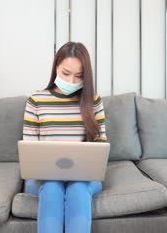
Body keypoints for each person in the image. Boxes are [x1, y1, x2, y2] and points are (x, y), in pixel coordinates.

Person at [22, 41, 107, 233]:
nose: (71, 82)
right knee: (52, 187)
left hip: (85, 178)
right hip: (42, 178)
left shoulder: (94, 101)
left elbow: (100, 149)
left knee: (77, 188)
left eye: (79, 76)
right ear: (56, 68)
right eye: (65, 73)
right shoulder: (37, 100)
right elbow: (29, 150)